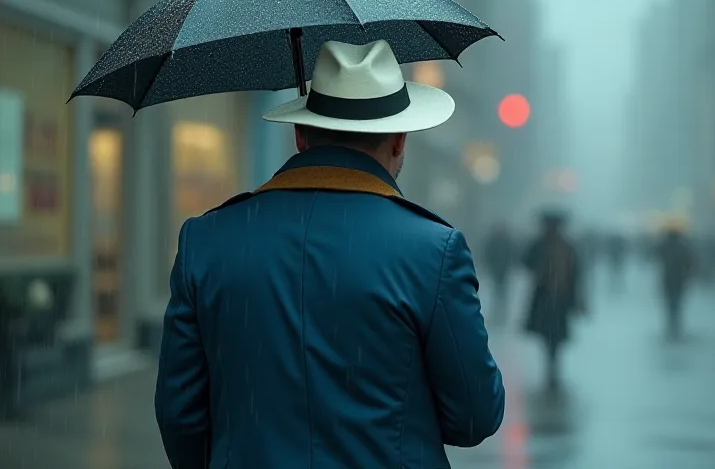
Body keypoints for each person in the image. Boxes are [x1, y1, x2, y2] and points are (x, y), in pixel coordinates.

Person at [155, 40, 505, 469]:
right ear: (399, 140)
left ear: (300, 135)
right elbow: (474, 418)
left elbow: (180, 416)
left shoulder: (207, 240)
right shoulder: (433, 251)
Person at [523, 211, 583, 390]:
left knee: (554, 336)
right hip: (545, 296)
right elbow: (526, 262)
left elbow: (576, 272)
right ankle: (551, 366)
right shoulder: (540, 245)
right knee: (547, 335)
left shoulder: (566, 247)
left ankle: (552, 367)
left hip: (560, 298)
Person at [656, 222, 695, 340]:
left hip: (669, 279)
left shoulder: (665, 246)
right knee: (677, 304)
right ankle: (675, 327)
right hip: (679, 279)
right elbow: (689, 262)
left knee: (670, 304)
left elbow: (658, 255)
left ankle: (671, 326)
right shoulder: (683, 247)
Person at [483, 222, 517, 325]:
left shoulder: (503, 241)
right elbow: (487, 254)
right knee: (498, 293)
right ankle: (498, 315)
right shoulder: (496, 241)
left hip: (503, 270)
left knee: (501, 293)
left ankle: (501, 316)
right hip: (497, 270)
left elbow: (511, 254)